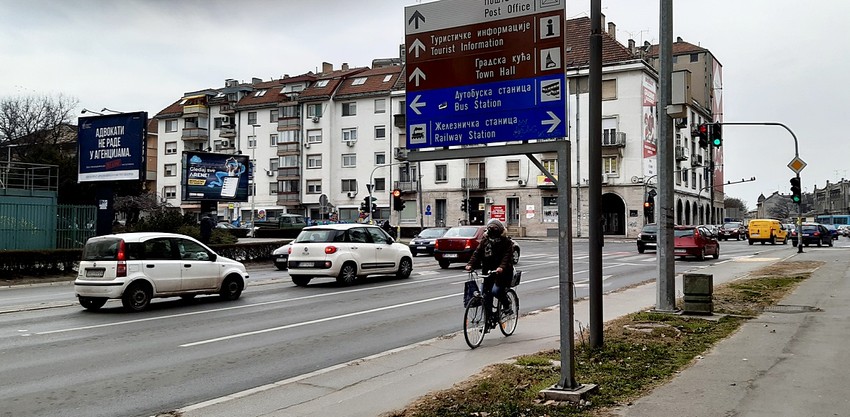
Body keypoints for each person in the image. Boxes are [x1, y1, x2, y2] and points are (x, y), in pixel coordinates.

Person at [465, 219, 514, 328]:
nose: (492, 233)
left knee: (496, 291)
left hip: (503, 273)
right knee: (485, 295)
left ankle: (507, 305)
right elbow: (477, 253)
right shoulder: (485, 241)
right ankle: (488, 319)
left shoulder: (506, 242)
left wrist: (501, 267)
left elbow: (507, 257)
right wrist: (470, 264)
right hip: (488, 271)